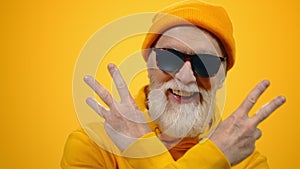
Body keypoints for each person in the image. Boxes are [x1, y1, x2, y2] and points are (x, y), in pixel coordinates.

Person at [61, 0, 286, 168]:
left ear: (222, 76)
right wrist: (215, 157)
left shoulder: (247, 162)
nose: (186, 77)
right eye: (170, 58)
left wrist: (142, 149)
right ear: (148, 62)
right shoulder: (93, 147)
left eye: (205, 63)